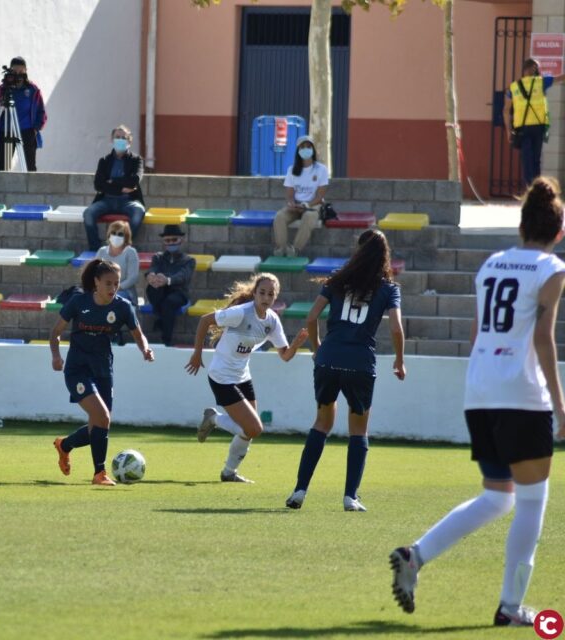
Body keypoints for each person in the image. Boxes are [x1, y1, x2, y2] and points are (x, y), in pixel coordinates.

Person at [389, 177, 565, 627]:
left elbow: (477, 331)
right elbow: (544, 339)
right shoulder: (551, 269)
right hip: (522, 395)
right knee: (531, 502)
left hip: (481, 389)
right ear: (558, 232)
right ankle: (510, 607)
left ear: (521, 227)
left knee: (498, 498)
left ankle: (416, 556)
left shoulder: (492, 264)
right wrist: (561, 408)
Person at [286, 229, 405, 512]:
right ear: (384, 256)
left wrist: (317, 349)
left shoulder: (337, 281)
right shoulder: (389, 288)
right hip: (360, 363)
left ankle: (300, 490)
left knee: (321, 423)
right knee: (358, 430)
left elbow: (312, 317)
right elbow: (397, 327)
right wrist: (400, 360)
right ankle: (350, 496)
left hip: (328, 359)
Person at [186, 274, 308, 482]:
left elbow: (285, 356)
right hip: (222, 377)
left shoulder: (272, 321)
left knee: (249, 430)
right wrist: (197, 353)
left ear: (275, 297)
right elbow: (205, 320)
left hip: (242, 376)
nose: (266, 297)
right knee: (254, 428)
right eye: (262, 292)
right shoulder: (241, 313)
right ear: (254, 293)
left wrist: (296, 344)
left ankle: (229, 473)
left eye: (271, 294)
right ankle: (213, 418)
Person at [50, 259, 154, 486]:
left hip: (103, 371)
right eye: (108, 283)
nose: (113, 288)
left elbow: (138, 334)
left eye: (116, 283)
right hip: (78, 370)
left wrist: (145, 349)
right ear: (96, 282)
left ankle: (64, 445)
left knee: (99, 425)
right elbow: (56, 332)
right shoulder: (79, 302)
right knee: (102, 418)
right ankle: (99, 474)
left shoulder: (123, 306)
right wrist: (56, 355)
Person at [504, 59, 565, 189]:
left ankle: (531, 188)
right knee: (536, 160)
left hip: (522, 129)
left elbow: (506, 111)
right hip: (538, 127)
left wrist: (508, 130)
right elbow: (560, 78)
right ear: (532, 68)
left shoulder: (513, 87)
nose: (539, 70)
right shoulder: (541, 82)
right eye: (537, 68)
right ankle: (535, 189)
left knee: (527, 160)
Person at [82, 125, 146, 251]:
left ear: (129, 141)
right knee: (88, 213)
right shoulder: (104, 160)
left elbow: (134, 180)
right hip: (106, 200)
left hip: (128, 201)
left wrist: (112, 181)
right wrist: (121, 188)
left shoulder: (136, 160)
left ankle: (123, 247)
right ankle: (96, 249)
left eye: (124, 137)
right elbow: (98, 184)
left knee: (139, 212)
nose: (120, 140)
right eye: (117, 137)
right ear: (112, 140)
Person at [272, 136, 328, 258]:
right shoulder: (292, 170)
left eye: (308, 146)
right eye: (302, 147)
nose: (306, 149)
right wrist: (291, 204)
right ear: (298, 150)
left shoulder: (321, 169)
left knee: (308, 216)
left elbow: (320, 196)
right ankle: (281, 249)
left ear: (313, 149)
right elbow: (290, 195)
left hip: (313, 206)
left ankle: (295, 249)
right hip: (296, 206)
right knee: (279, 217)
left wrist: (307, 205)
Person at [0, 56, 47, 171]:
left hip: (27, 132)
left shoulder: (32, 90)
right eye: (15, 71)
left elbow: (41, 111)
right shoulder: (3, 89)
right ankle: (2, 188)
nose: (18, 74)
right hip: (6, 131)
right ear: (10, 70)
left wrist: (35, 129)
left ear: (26, 71)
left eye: (21, 71)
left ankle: (29, 188)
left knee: (29, 167)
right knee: (3, 167)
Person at [145, 225, 195, 346]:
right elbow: (153, 268)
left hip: (179, 293)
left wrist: (167, 280)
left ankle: (166, 339)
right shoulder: (158, 257)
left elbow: (183, 276)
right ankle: (162, 321)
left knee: (169, 302)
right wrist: (151, 276)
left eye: (174, 240)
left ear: (181, 240)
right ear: (163, 242)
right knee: (152, 289)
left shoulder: (189, 260)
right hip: (160, 290)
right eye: (168, 240)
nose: (171, 243)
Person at [95, 220, 140, 305]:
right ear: (109, 235)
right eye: (113, 233)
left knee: (111, 300)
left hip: (125, 292)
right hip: (103, 290)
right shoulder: (102, 251)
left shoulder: (131, 252)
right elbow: (94, 272)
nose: (116, 236)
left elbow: (132, 278)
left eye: (120, 234)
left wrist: (113, 288)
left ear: (126, 237)